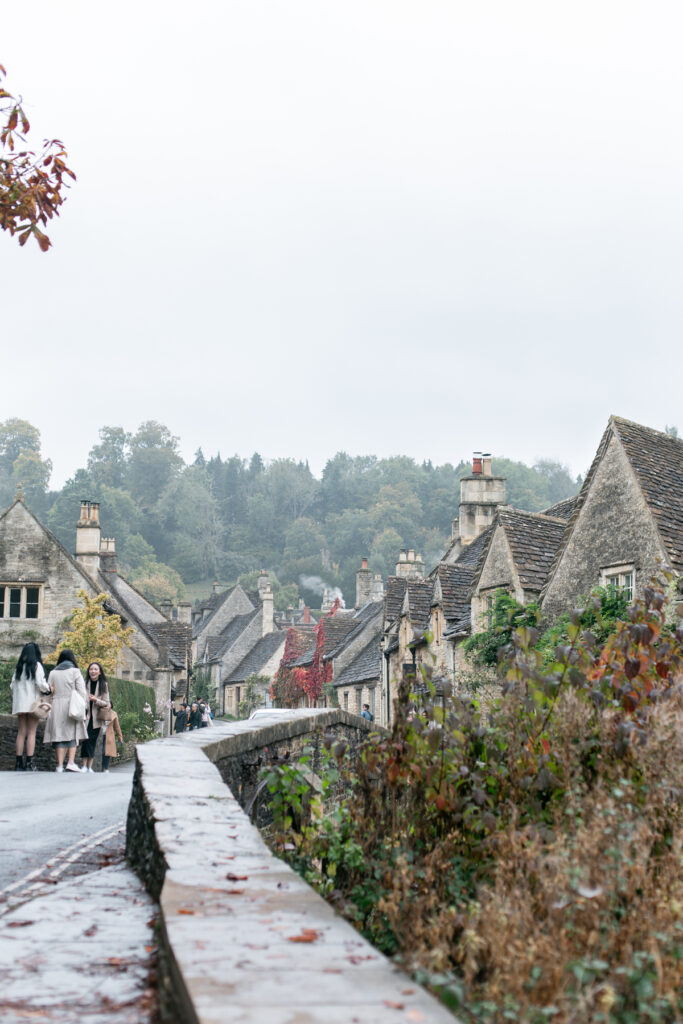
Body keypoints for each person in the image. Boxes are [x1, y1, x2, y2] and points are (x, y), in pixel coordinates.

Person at [43, 649, 88, 772]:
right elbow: (82, 691)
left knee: (59, 735)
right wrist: (84, 707)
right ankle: (71, 762)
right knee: (72, 734)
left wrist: (47, 707)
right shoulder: (75, 671)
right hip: (71, 705)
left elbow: (48, 692)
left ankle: (59, 765)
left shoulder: (53, 672)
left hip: (56, 705)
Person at [10, 642, 50, 771]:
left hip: (20, 703)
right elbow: (41, 684)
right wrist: (48, 689)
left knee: (21, 732)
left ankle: (18, 763)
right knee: (31, 732)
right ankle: (29, 763)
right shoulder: (36, 666)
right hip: (33, 704)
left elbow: (12, 686)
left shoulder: (19, 667)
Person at [80, 662, 111, 773]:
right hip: (85, 716)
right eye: (91, 669)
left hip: (97, 718)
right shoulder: (84, 683)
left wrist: (95, 700)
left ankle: (89, 766)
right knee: (85, 740)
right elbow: (80, 699)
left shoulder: (104, 685)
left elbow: (106, 703)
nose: (93, 671)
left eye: (95, 669)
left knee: (92, 741)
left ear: (99, 672)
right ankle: (84, 766)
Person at [100, 705, 123, 772]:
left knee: (107, 752)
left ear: (111, 705)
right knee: (101, 752)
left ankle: (106, 768)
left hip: (109, 735)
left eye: (108, 704)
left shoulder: (113, 713)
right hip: (100, 735)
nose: (107, 706)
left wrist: (120, 737)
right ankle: (101, 767)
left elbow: (117, 727)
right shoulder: (99, 711)